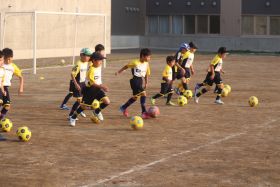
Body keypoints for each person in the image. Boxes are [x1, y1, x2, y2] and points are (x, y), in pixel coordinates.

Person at [69, 52, 109, 127]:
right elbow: (91, 83)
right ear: (94, 61)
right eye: (100, 60)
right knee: (83, 107)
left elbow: (91, 60)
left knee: (107, 101)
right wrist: (102, 87)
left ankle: (96, 111)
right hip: (90, 90)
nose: (101, 62)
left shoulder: (98, 66)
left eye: (102, 60)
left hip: (97, 88)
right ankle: (73, 117)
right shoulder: (91, 70)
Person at [115, 48, 151, 119]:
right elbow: (126, 66)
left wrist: (146, 82)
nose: (149, 58)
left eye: (150, 57)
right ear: (143, 56)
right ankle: (144, 112)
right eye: (148, 57)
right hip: (135, 81)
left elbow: (147, 73)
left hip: (140, 81)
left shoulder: (147, 64)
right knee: (143, 93)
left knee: (135, 98)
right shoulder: (135, 62)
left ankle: (123, 107)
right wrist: (119, 72)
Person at [1, 48, 23, 119]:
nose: (8, 61)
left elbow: (21, 77)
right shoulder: (1, 64)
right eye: (6, 59)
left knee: (7, 106)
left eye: (10, 59)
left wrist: (21, 87)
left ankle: (1, 118)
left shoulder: (13, 66)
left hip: (5, 87)